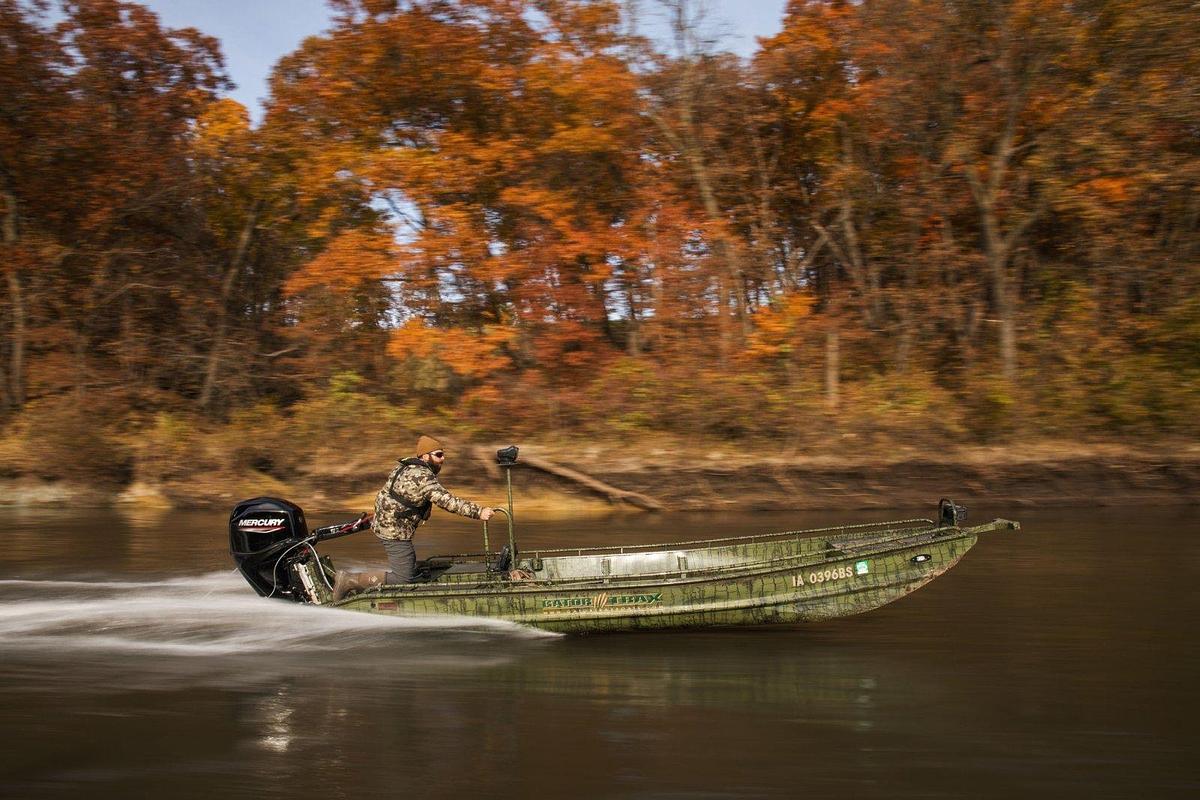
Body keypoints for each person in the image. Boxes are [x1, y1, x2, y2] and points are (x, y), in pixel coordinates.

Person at [332, 435, 495, 601]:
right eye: (438, 455)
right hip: (393, 530)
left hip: (389, 524)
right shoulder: (422, 476)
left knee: (409, 567)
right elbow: (446, 501)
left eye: (443, 454)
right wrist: (478, 512)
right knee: (403, 578)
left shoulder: (405, 467)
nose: (443, 459)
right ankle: (349, 581)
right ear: (425, 456)